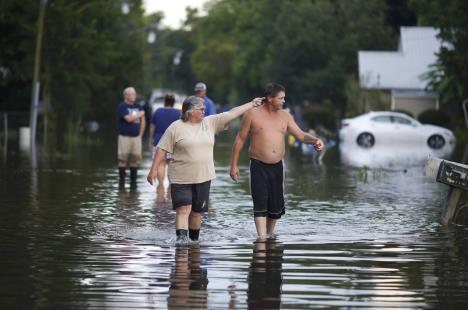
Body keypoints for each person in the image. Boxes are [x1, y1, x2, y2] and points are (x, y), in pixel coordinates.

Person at [147, 95, 263, 242]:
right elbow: (161, 150)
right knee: (183, 210)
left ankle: (194, 242)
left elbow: (232, 113)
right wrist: (153, 170)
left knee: (196, 212)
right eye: (201, 109)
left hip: (203, 177)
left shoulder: (210, 122)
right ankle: (182, 243)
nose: (204, 111)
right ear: (190, 111)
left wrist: (251, 104)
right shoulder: (175, 127)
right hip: (180, 177)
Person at [230, 83, 324, 239]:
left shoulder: (285, 116)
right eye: (281, 98)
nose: (283, 101)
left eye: (284, 98)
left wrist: (315, 140)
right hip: (258, 165)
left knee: (275, 207)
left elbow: (300, 135)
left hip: (277, 167)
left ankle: (269, 235)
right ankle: (261, 239)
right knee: (260, 203)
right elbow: (239, 140)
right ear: (270, 98)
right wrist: (233, 165)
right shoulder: (252, 115)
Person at [149, 93, 181, 191]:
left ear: (165, 101)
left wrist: (151, 138)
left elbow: (152, 126)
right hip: (173, 141)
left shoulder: (158, 111)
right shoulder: (178, 113)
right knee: (171, 163)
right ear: (173, 102)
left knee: (161, 164)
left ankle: (161, 186)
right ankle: (171, 187)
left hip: (159, 140)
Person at [117, 87, 145, 188]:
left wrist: (141, 134)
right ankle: (122, 183)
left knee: (134, 160)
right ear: (126, 95)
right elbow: (128, 119)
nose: (134, 96)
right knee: (122, 160)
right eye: (131, 94)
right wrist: (140, 114)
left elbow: (143, 121)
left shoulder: (138, 106)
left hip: (136, 137)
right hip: (124, 137)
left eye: (134, 94)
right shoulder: (122, 106)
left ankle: (133, 184)